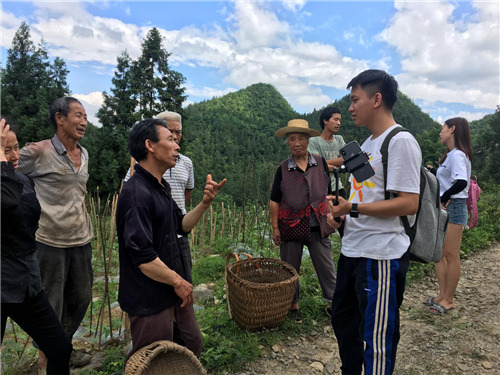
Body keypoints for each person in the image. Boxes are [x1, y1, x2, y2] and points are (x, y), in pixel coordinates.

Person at [328, 69, 421, 375]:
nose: (350, 108)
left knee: (377, 338)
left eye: (355, 100)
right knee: (344, 321)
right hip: (353, 251)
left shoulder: (400, 141)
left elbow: (408, 203)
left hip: (380, 255)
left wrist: (351, 206)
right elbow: (367, 196)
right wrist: (343, 211)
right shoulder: (367, 144)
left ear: (376, 99)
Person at [117, 118, 225, 359]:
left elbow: (182, 225)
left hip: (171, 289)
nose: (177, 145)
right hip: (149, 296)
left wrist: (205, 203)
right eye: (169, 139)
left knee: (191, 341)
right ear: (150, 145)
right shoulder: (136, 193)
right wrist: (178, 281)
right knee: (153, 359)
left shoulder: (160, 186)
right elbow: (142, 256)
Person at [17, 97, 94, 368]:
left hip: (81, 240)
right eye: (77, 115)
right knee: (50, 305)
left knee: (81, 297)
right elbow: (9, 170)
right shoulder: (38, 151)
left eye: (85, 116)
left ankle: (61, 349)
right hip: (49, 241)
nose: (83, 121)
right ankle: (45, 361)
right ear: (59, 118)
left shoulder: (84, 154)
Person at [1, 118, 73, 374]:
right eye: (4, 149)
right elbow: (7, 201)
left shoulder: (23, 180)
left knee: (59, 348)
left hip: (26, 282)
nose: (13, 155)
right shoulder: (8, 182)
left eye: (15, 147)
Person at [270, 119, 340, 324]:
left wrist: (331, 215)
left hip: (318, 222)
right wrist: (275, 227)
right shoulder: (282, 169)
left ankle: (333, 304)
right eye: (292, 139)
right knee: (290, 267)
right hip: (290, 224)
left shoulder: (320, 164)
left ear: (308, 140)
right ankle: (293, 306)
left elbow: (327, 191)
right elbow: (274, 200)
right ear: (288, 143)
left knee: (326, 265)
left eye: (301, 138)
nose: (297, 143)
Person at [125, 111, 195, 282]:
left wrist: (170, 213)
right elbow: (133, 187)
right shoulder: (143, 170)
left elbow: (188, 190)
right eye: (170, 134)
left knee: (184, 280)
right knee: (154, 283)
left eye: (178, 132)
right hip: (152, 236)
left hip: (179, 233)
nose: (176, 137)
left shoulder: (186, 163)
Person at [423, 117, 472, 315]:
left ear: (452, 129)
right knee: (439, 254)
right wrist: (433, 172)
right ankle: (442, 296)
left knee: (451, 255)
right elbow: (450, 179)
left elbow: (461, 183)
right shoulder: (451, 155)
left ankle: (449, 300)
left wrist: (444, 196)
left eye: (443, 128)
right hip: (445, 207)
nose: (440, 132)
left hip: (454, 207)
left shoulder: (458, 155)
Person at [308, 106, 347, 198]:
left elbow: (345, 159)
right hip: (320, 190)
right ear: (325, 121)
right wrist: (338, 166)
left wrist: (322, 163)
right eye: (336, 119)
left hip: (338, 188)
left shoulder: (339, 139)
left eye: (340, 120)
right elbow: (316, 167)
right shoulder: (313, 141)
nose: (339, 123)